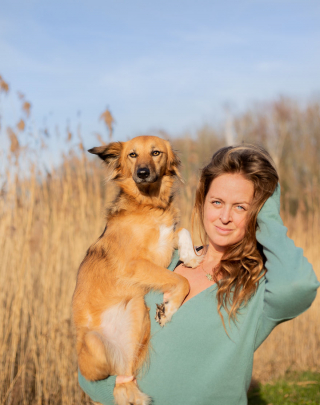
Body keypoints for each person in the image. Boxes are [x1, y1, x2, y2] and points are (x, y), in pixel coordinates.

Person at [78, 144, 319, 405]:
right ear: (202, 201)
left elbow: (300, 286)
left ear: (257, 212)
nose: (225, 217)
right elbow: (95, 353)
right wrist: (114, 394)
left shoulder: (255, 286)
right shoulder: (164, 262)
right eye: (217, 202)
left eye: (240, 207)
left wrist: (269, 211)